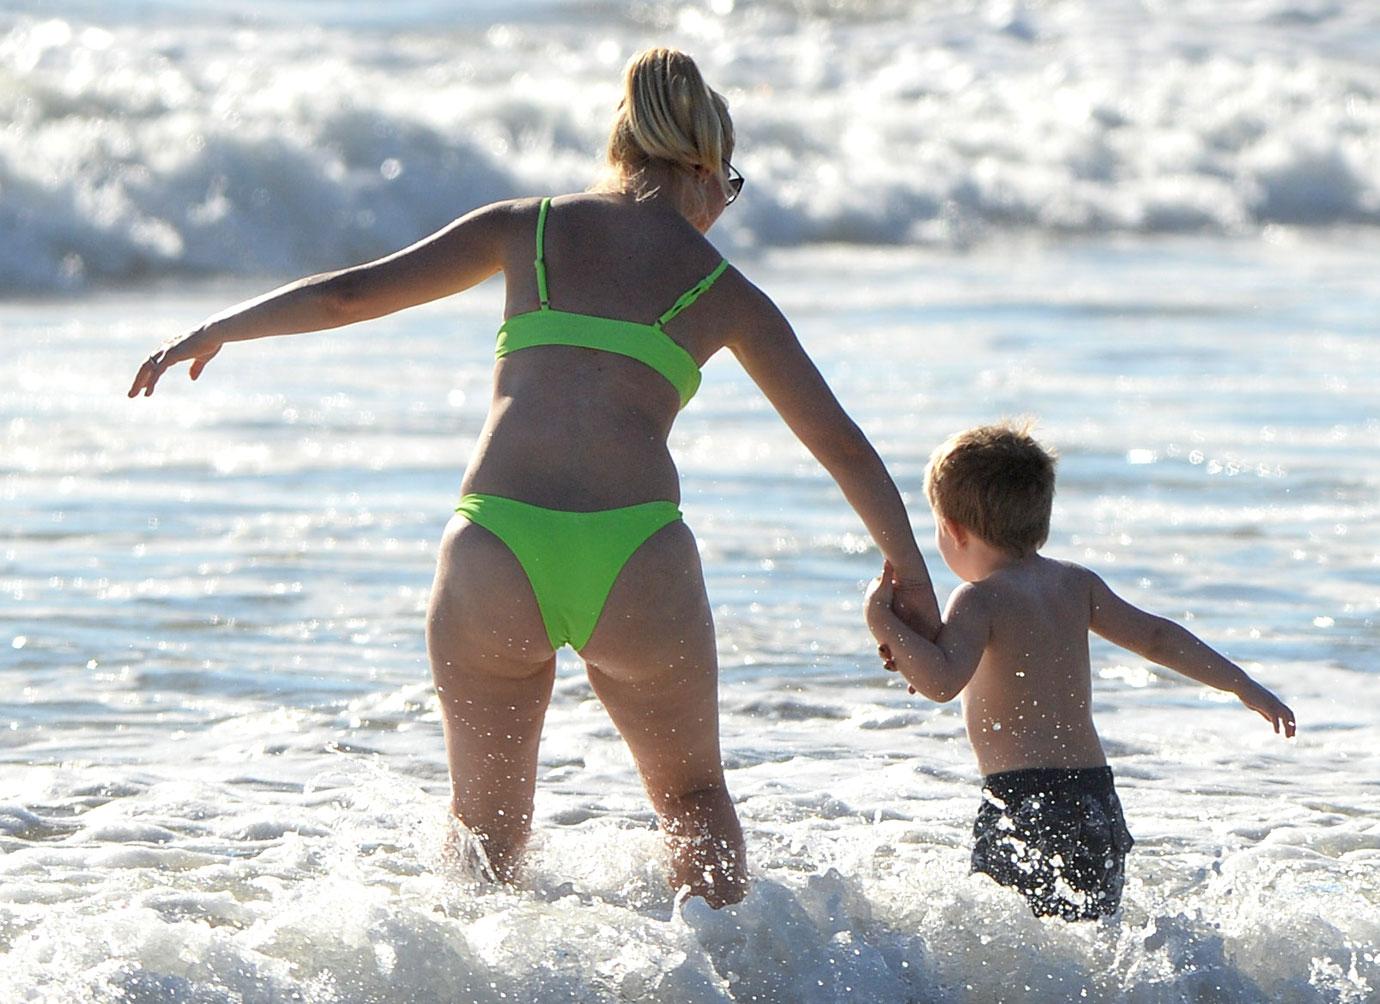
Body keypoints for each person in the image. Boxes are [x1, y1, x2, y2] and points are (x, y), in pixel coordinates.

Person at [127, 47, 940, 907]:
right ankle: (735, 976)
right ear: (706, 166)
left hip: (495, 546)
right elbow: (841, 445)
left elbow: (348, 297)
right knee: (693, 802)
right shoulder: (725, 291)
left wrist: (216, 329)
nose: (722, 211)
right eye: (729, 188)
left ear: (623, 147)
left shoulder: (528, 228)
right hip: (636, 556)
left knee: (485, 832)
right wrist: (911, 572)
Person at [864, 422, 1295, 921]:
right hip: (1095, 800)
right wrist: (1242, 684)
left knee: (1017, 955)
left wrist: (882, 621)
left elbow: (939, 681)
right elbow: (1157, 637)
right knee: (1094, 941)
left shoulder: (979, 600)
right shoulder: (1075, 584)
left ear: (954, 530)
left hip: (1025, 805)